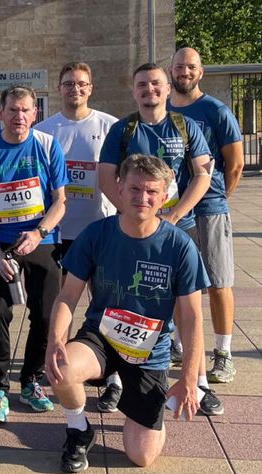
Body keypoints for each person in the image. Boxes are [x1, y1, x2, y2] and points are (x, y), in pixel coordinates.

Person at [47, 154, 208, 472]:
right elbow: (67, 295)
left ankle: (147, 412)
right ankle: (79, 430)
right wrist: (55, 340)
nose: (142, 198)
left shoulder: (179, 247)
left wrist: (189, 378)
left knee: (141, 456)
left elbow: (191, 318)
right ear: (119, 189)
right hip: (101, 337)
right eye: (135, 189)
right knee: (61, 367)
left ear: (164, 196)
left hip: (149, 352)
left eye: (151, 192)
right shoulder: (96, 235)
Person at [96, 62, 219, 415]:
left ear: (167, 89)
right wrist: (136, 215)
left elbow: (201, 176)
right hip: (132, 232)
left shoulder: (186, 126)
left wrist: (175, 214)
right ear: (133, 91)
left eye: (155, 84)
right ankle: (115, 380)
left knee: (187, 308)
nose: (149, 90)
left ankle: (197, 382)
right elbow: (105, 178)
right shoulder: (122, 130)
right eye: (142, 85)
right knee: (125, 301)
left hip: (178, 230)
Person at [0, 84, 68, 424]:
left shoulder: (47, 144)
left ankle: (30, 380)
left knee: (45, 315)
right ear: (0, 113)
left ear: (35, 113)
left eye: (26, 110)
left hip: (41, 241)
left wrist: (39, 232)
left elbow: (60, 201)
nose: (19, 117)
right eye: (12, 110)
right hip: (2, 245)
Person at [33, 62, 120, 412]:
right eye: (68, 83)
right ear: (59, 87)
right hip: (59, 234)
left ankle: (114, 378)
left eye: (81, 84)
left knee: (106, 305)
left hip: (99, 230)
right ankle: (57, 365)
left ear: (91, 87)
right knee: (57, 305)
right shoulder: (44, 130)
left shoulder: (109, 126)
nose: (75, 89)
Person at [167, 48, 244, 386]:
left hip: (208, 208)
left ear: (201, 72)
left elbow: (236, 163)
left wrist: (216, 196)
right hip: (171, 209)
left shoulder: (216, 111)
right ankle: (180, 345)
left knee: (218, 280)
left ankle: (223, 353)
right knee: (177, 282)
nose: (184, 71)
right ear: (171, 69)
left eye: (191, 67)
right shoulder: (162, 108)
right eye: (179, 66)